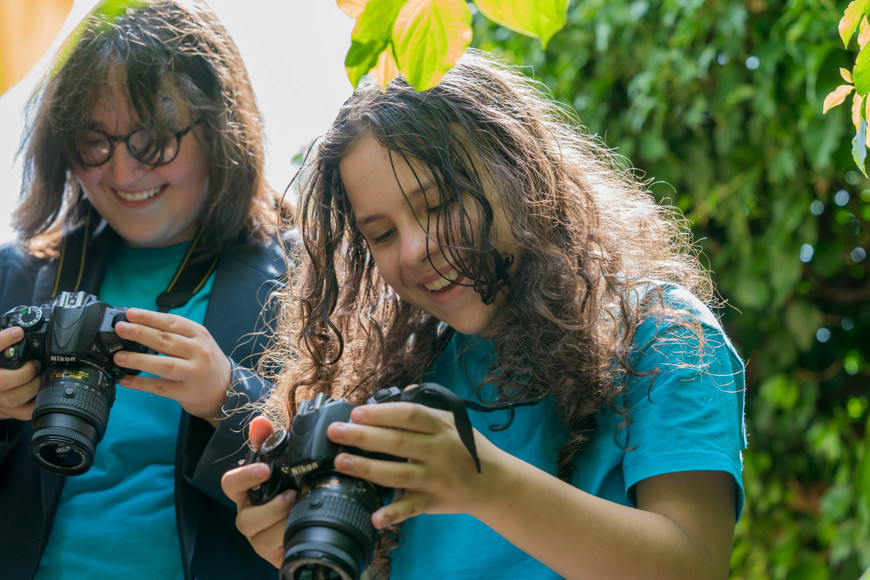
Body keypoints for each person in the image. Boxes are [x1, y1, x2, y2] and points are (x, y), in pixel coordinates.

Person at [221, 49, 747, 579]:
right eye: (381, 234)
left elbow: (694, 565)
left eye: (441, 203)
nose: (412, 251)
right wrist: (309, 546)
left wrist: (484, 483)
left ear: (518, 171)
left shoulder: (658, 330)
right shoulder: (396, 392)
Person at [0, 1, 291, 578]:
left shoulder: (302, 280)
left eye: (153, 140)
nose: (123, 172)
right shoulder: (16, 276)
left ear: (219, 126)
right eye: (92, 142)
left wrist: (228, 397)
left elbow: (344, 489)